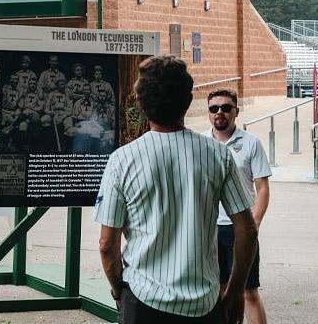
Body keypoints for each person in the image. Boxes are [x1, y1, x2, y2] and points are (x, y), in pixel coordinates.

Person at [94, 55, 258, 324]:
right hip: (203, 304)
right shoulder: (218, 155)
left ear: (140, 104)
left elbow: (106, 245)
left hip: (142, 301)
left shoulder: (122, 160)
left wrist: (118, 291)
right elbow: (247, 229)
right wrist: (235, 291)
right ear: (188, 100)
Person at [205, 89, 271, 324]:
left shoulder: (251, 143)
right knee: (218, 289)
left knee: (248, 290)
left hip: (240, 228)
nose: (219, 112)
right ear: (209, 113)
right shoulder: (202, 144)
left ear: (236, 111)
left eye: (226, 108)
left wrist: (254, 223)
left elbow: (262, 188)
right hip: (210, 228)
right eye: (214, 108)